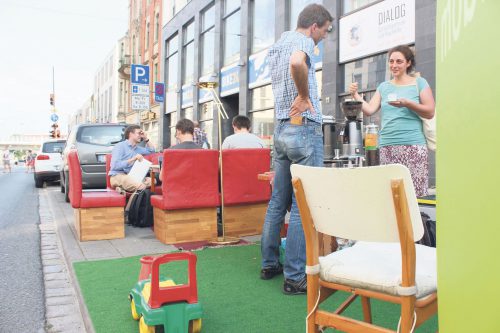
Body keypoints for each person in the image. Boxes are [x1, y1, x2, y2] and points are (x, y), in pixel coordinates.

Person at [261, 4, 333, 295]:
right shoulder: (302, 42)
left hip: (280, 129)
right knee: (306, 205)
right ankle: (294, 277)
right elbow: (297, 63)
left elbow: (288, 63)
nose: (323, 38)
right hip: (303, 127)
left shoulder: (278, 44)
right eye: (325, 32)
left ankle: (269, 263)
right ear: (314, 26)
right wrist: (304, 95)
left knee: (278, 200)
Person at [349, 45, 435, 197]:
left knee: (414, 195)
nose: (394, 65)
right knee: (391, 195)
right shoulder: (384, 87)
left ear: (408, 63)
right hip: (387, 146)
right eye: (391, 61)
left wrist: (407, 103)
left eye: (399, 62)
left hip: (413, 146)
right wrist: (355, 95)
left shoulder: (419, 83)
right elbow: (369, 109)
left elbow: (430, 111)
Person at [109, 124, 155, 192]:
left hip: (132, 176)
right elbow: (115, 166)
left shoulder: (138, 149)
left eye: (141, 133)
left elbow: (152, 151)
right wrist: (133, 159)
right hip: (118, 175)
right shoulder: (120, 146)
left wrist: (146, 138)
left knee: (153, 181)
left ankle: (123, 188)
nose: (140, 135)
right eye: (138, 133)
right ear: (131, 134)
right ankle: (135, 188)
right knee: (141, 186)